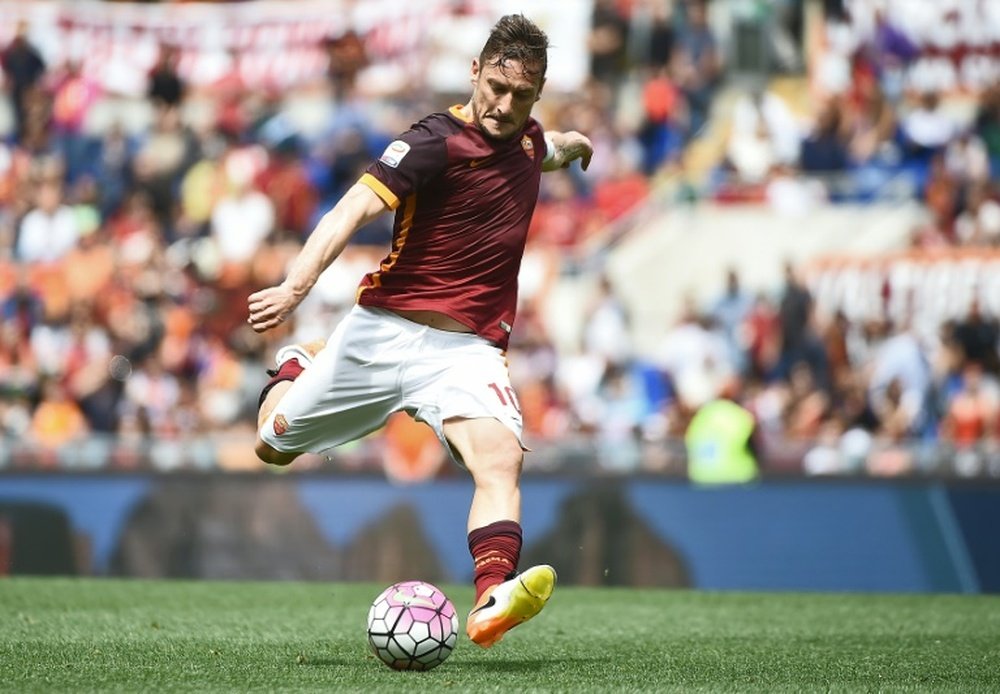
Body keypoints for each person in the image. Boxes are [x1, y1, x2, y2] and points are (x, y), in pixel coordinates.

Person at [246, 15, 593, 649]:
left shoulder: (528, 138)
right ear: (474, 73)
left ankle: (491, 599)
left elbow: (550, 148)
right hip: (382, 332)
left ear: (537, 95)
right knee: (272, 446)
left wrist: (574, 144)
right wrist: (296, 287)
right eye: (496, 87)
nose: (505, 105)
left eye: (522, 96)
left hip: (467, 349)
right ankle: (297, 364)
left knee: (499, 460)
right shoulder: (433, 141)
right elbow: (352, 207)